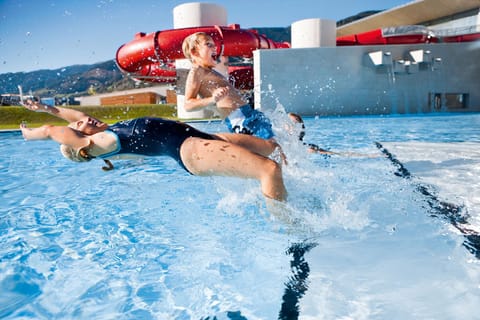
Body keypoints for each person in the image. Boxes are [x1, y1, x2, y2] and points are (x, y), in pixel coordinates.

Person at [19, 100, 287, 201]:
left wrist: (48, 108)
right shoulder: (100, 145)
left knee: (273, 149)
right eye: (79, 126)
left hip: (202, 136)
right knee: (268, 169)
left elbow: (73, 115)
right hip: (190, 149)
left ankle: (296, 185)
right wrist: (30, 133)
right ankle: (288, 228)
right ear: (81, 146)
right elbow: (51, 131)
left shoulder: (104, 131)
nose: (85, 119)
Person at [182, 32, 274, 140]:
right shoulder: (196, 71)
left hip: (248, 114)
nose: (215, 48)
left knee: (276, 144)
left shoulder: (209, 71)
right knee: (272, 147)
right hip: (240, 119)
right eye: (208, 44)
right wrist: (212, 99)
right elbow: (188, 105)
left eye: (213, 44)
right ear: (194, 52)